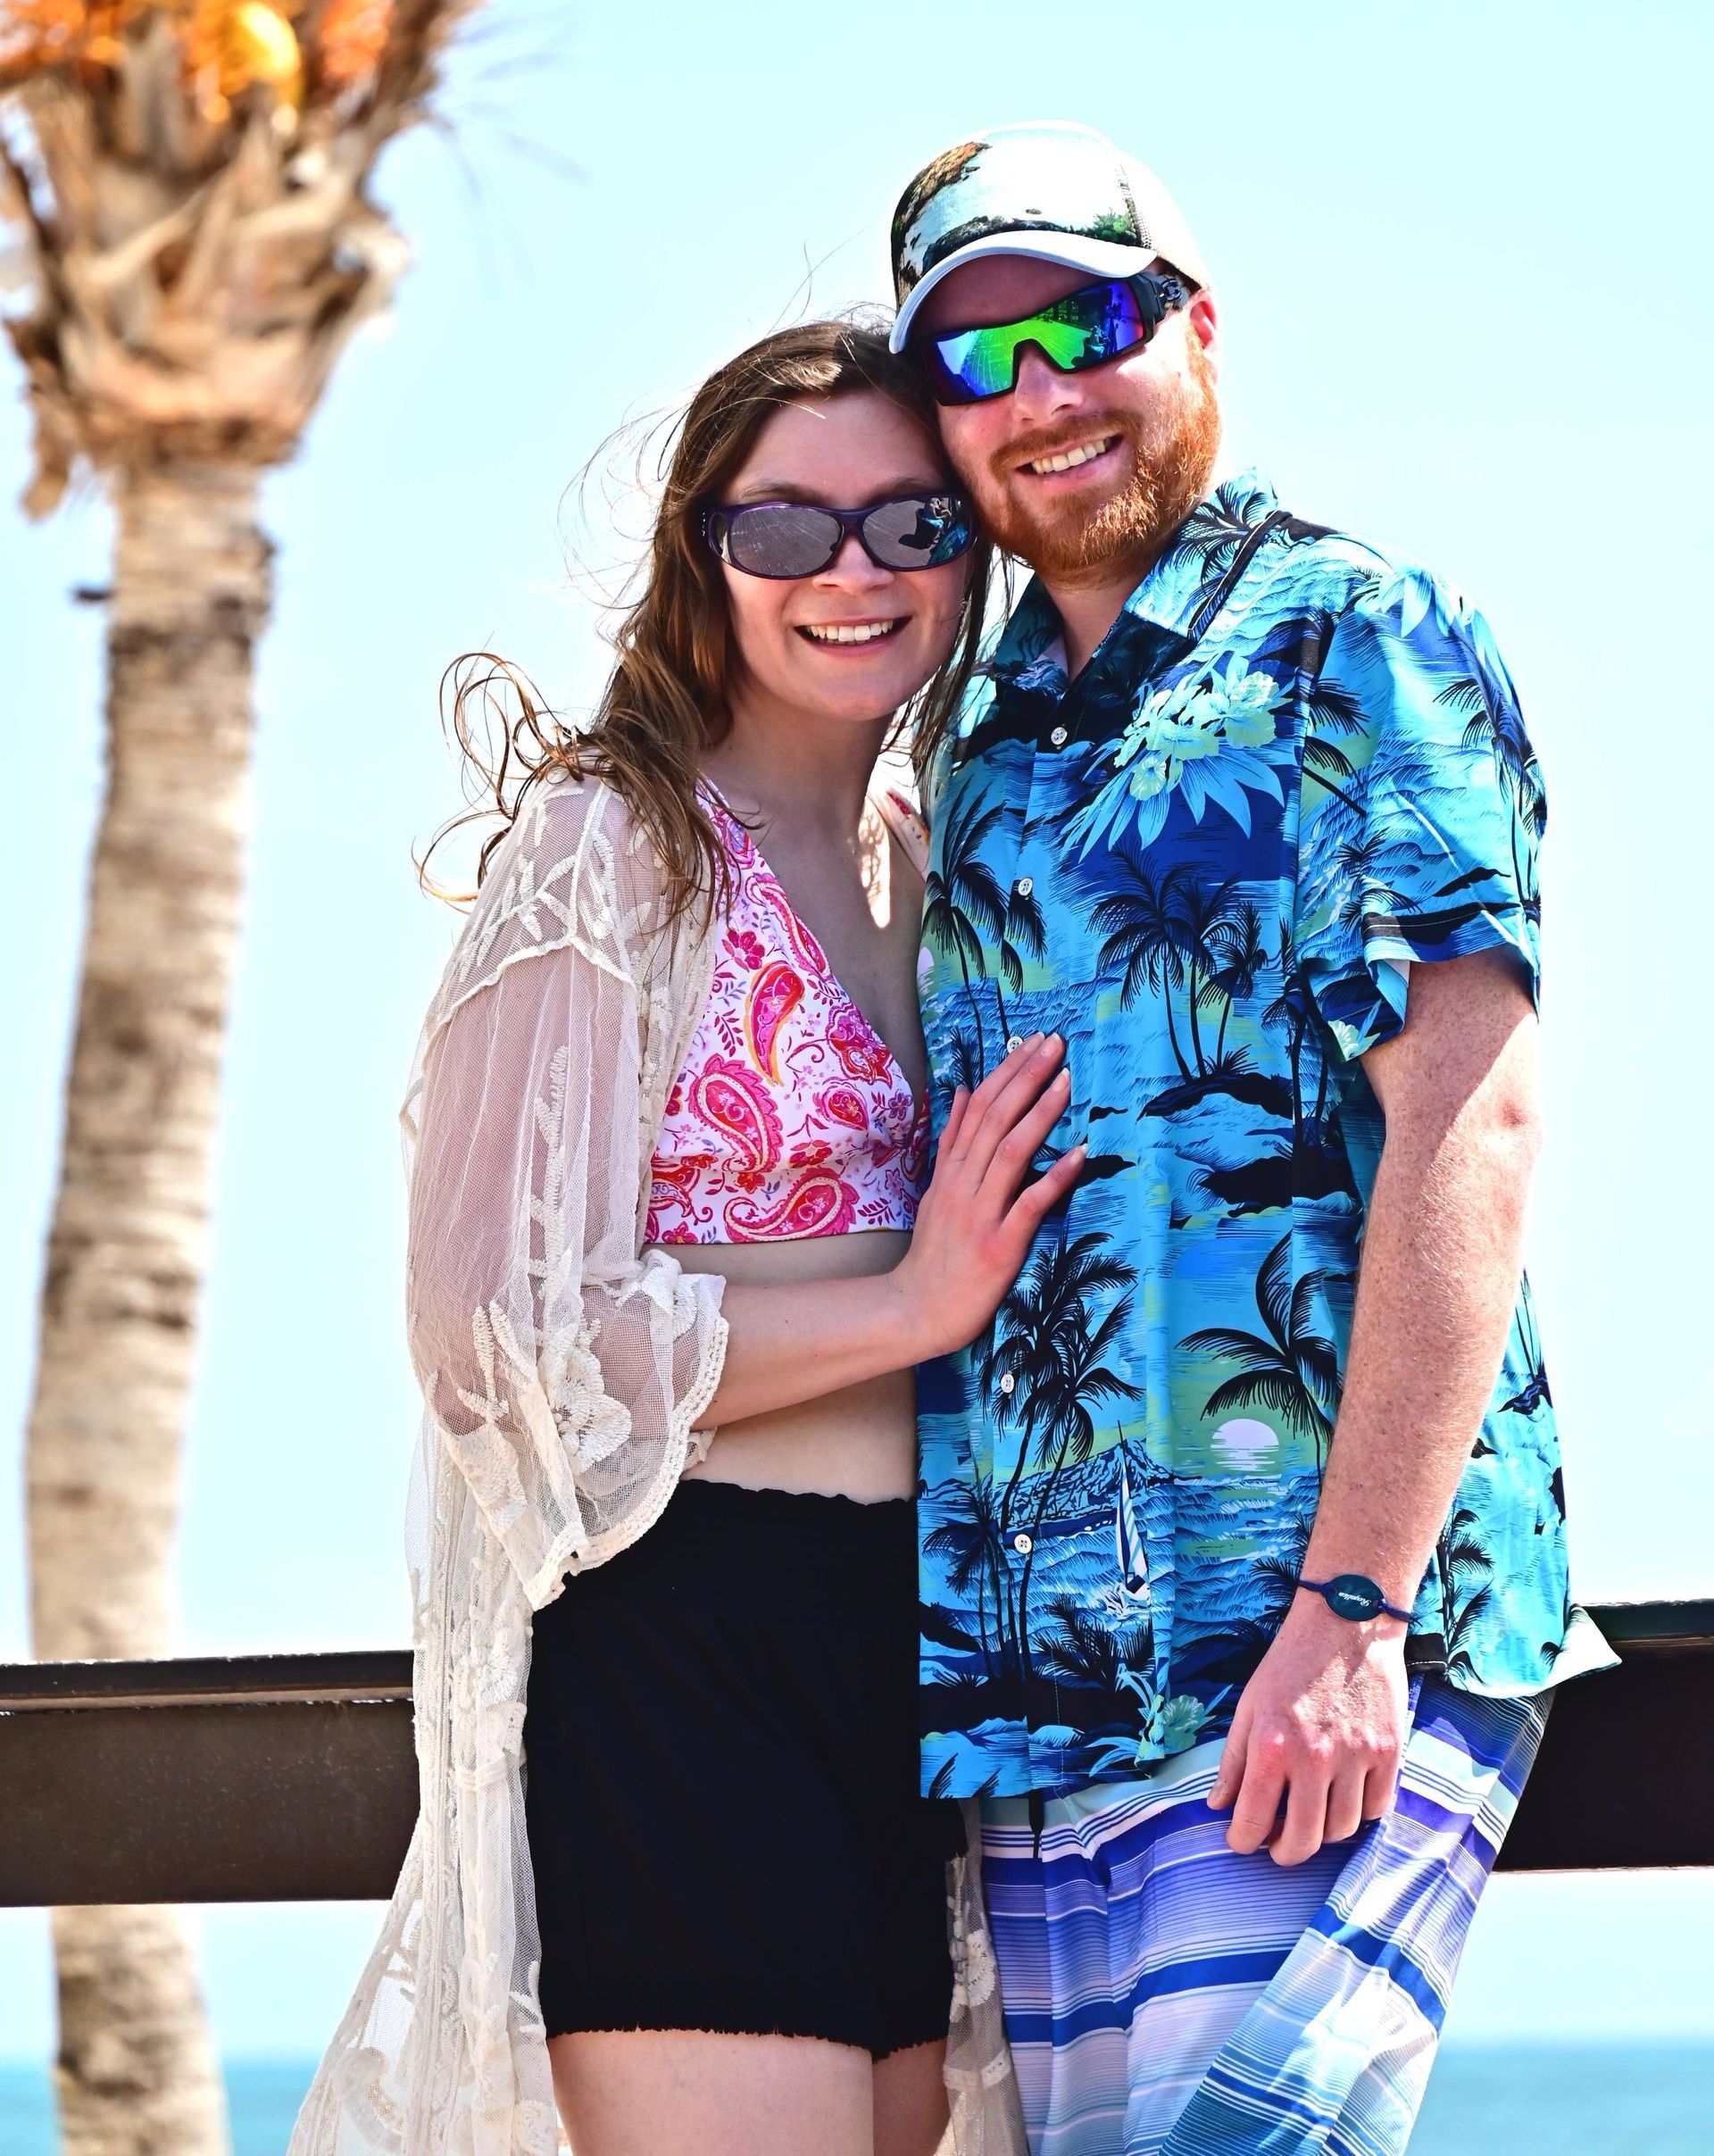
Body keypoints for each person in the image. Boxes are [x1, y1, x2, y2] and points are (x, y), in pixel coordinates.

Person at [885, 121, 1617, 2156]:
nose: (1041, 392)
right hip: (1047, 1685)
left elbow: (1473, 1116)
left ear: (1196, 329)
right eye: (976, 355)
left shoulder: (1357, 635)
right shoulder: (977, 738)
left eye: (1087, 321)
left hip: (1315, 1647)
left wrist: (1356, 1607)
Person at [287, 320, 1081, 2156]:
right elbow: (497, 1336)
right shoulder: (611, 845)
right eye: (785, 527)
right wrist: (914, 1303)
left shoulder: (946, 858)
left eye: (910, 522)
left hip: (930, 1662)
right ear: (701, 556)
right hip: (687, 1645)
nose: (852, 573)